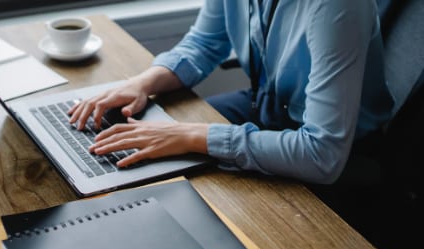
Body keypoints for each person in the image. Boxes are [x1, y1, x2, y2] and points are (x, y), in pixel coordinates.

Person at [68, 0, 396, 185]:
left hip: (336, 152)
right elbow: (205, 43)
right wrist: (143, 82)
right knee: (135, 160)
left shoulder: (337, 6)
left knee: (194, 188)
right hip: (266, 108)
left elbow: (322, 154)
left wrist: (194, 135)